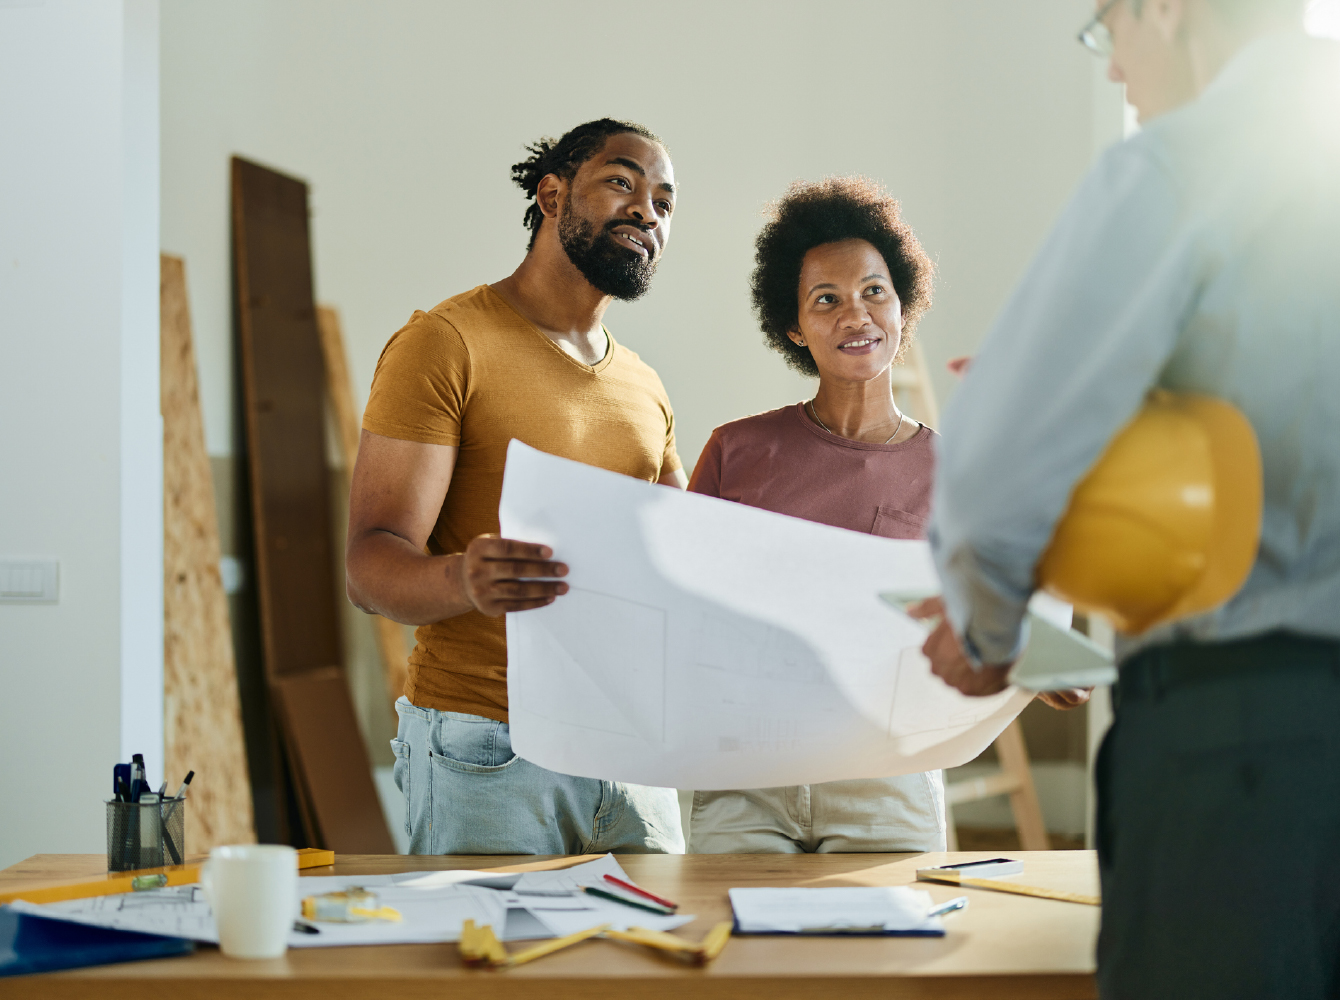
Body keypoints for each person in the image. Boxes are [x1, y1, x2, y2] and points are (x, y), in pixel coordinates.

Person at [915, 1, 1340, 996]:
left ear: (1166, 9)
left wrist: (984, 633)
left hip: (1246, 754)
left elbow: (990, 481)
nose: (1113, 71)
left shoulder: (1180, 165)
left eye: (1108, 30)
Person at [345, 118, 688, 856]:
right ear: (553, 194)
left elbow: (678, 552)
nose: (646, 211)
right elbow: (370, 567)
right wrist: (466, 577)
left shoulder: (645, 386)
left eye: (665, 202)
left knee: (653, 966)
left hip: (629, 745)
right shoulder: (445, 344)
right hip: (489, 746)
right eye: (622, 182)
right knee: (491, 968)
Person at [686, 176, 947, 853]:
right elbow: (683, 607)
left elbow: (982, 616)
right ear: (794, 326)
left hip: (886, 776)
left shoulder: (954, 473)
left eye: (873, 292)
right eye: (826, 300)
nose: (855, 316)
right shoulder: (735, 449)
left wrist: (1036, 675)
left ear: (903, 305)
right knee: (744, 956)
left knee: (884, 954)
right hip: (746, 774)